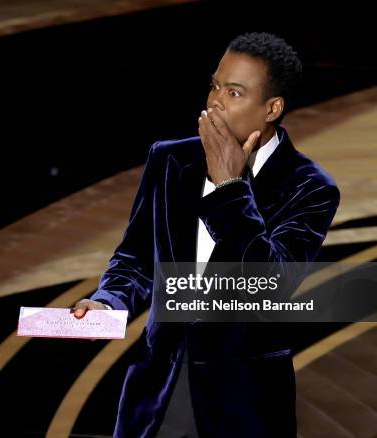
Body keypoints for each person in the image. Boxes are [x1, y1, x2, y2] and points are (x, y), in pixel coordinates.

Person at [71, 32, 340, 437]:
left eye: (233, 93)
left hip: (243, 402)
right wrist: (108, 303)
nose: (214, 101)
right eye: (215, 85)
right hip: (157, 390)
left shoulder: (310, 187)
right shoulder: (170, 159)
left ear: (272, 108)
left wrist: (230, 189)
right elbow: (136, 259)